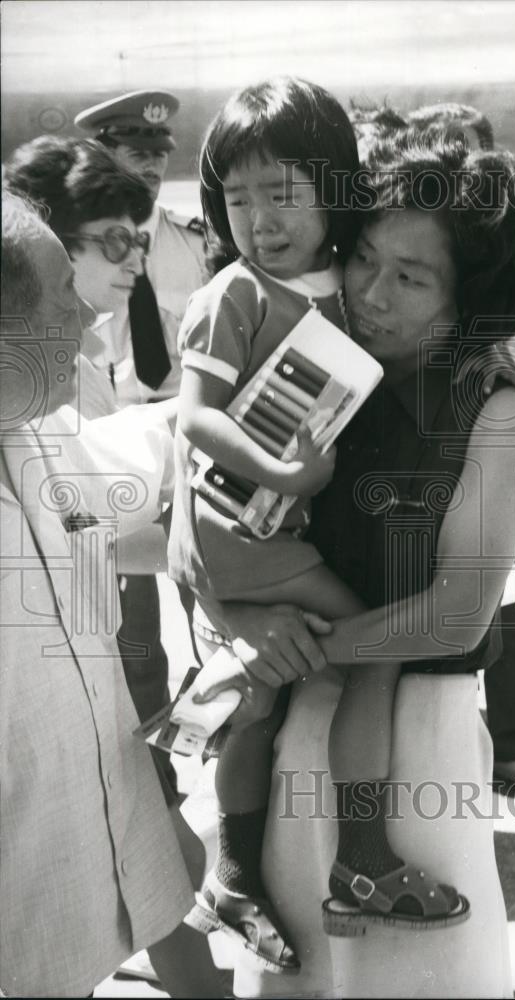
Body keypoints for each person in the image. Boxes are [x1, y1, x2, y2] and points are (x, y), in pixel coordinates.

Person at [189, 128, 515, 998]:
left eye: (412, 278)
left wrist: (295, 646)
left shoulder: (493, 401)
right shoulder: (314, 353)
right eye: (364, 261)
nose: (373, 295)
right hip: (294, 728)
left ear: (467, 299)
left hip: (414, 741)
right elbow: (206, 510)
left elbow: (460, 611)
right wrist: (235, 621)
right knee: (304, 975)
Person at [169, 78, 470, 975]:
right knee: (374, 650)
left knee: (260, 705)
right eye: (238, 195)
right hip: (247, 535)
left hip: (263, 538)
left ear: (333, 188)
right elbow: (193, 418)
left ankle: (230, 872)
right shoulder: (236, 294)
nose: (258, 217)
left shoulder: (341, 283)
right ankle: (363, 858)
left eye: (282, 192)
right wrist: (286, 470)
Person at [0, 192, 226, 997]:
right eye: (64, 300)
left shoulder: (35, 427)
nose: (93, 323)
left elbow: (95, 522)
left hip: (76, 871)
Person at [3, 136, 179, 791]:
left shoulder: (74, 359)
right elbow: (85, 533)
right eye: (113, 241)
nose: (135, 258)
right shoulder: (36, 379)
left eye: (139, 240)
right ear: (45, 239)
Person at [404, 101, 515, 797]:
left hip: (496, 435)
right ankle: (429, 755)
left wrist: (498, 393)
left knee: (511, 602)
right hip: (413, 448)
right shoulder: (404, 235)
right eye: (438, 152)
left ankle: (512, 745)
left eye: (466, 152)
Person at [74, 88, 209, 775]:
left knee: (210, 606)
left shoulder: (193, 240)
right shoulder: (80, 247)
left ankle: (215, 753)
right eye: (136, 154)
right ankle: (150, 782)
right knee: (130, 639)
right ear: (104, 154)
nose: (152, 169)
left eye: (160, 157)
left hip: (189, 444)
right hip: (110, 445)